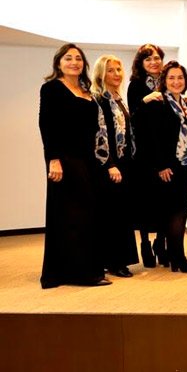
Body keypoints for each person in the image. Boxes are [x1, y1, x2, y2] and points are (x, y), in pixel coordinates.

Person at [39, 43, 111, 288]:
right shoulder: (51, 89)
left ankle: (88, 269)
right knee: (71, 217)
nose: (74, 62)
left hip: (88, 159)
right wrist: (54, 159)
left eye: (78, 58)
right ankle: (77, 274)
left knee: (89, 215)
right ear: (58, 63)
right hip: (65, 159)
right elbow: (46, 126)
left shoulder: (85, 90)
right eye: (68, 58)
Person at [138, 61, 187, 273]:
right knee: (177, 211)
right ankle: (178, 258)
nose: (176, 81)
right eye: (172, 78)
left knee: (180, 210)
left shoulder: (186, 104)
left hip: (186, 166)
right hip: (169, 167)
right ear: (164, 81)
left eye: (180, 77)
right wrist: (161, 165)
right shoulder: (159, 102)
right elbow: (152, 137)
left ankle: (174, 256)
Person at [91, 55, 139, 277]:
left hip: (125, 163)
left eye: (119, 69)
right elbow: (99, 135)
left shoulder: (118, 98)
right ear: (101, 73)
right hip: (108, 164)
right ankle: (113, 261)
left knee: (121, 214)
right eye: (111, 70)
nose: (116, 74)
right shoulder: (98, 99)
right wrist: (110, 164)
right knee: (111, 215)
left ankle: (118, 259)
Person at [127, 44, 167, 268]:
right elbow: (132, 116)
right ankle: (144, 243)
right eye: (148, 59)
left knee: (163, 201)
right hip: (142, 155)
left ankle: (161, 243)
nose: (154, 62)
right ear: (141, 63)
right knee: (144, 202)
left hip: (163, 152)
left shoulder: (166, 82)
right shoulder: (136, 85)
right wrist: (146, 100)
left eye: (157, 58)